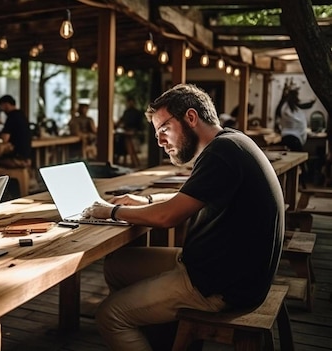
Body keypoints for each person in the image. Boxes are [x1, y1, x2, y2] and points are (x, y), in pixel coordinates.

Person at [83, 84, 284, 350]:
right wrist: (147, 200)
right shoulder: (231, 142)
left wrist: (108, 211)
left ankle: (143, 323)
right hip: (226, 270)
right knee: (117, 265)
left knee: (110, 316)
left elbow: (168, 218)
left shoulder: (221, 154)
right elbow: (187, 199)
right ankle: (161, 335)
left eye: (164, 129)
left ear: (191, 118)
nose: (160, 141)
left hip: (218, 285)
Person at [0, 94, 32, 168]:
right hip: (26, 156)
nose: (1, 109)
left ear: (6, 104)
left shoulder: (11, 117)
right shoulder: (21, 115)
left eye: (1, 106)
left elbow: (5, 139)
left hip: (16, 157)